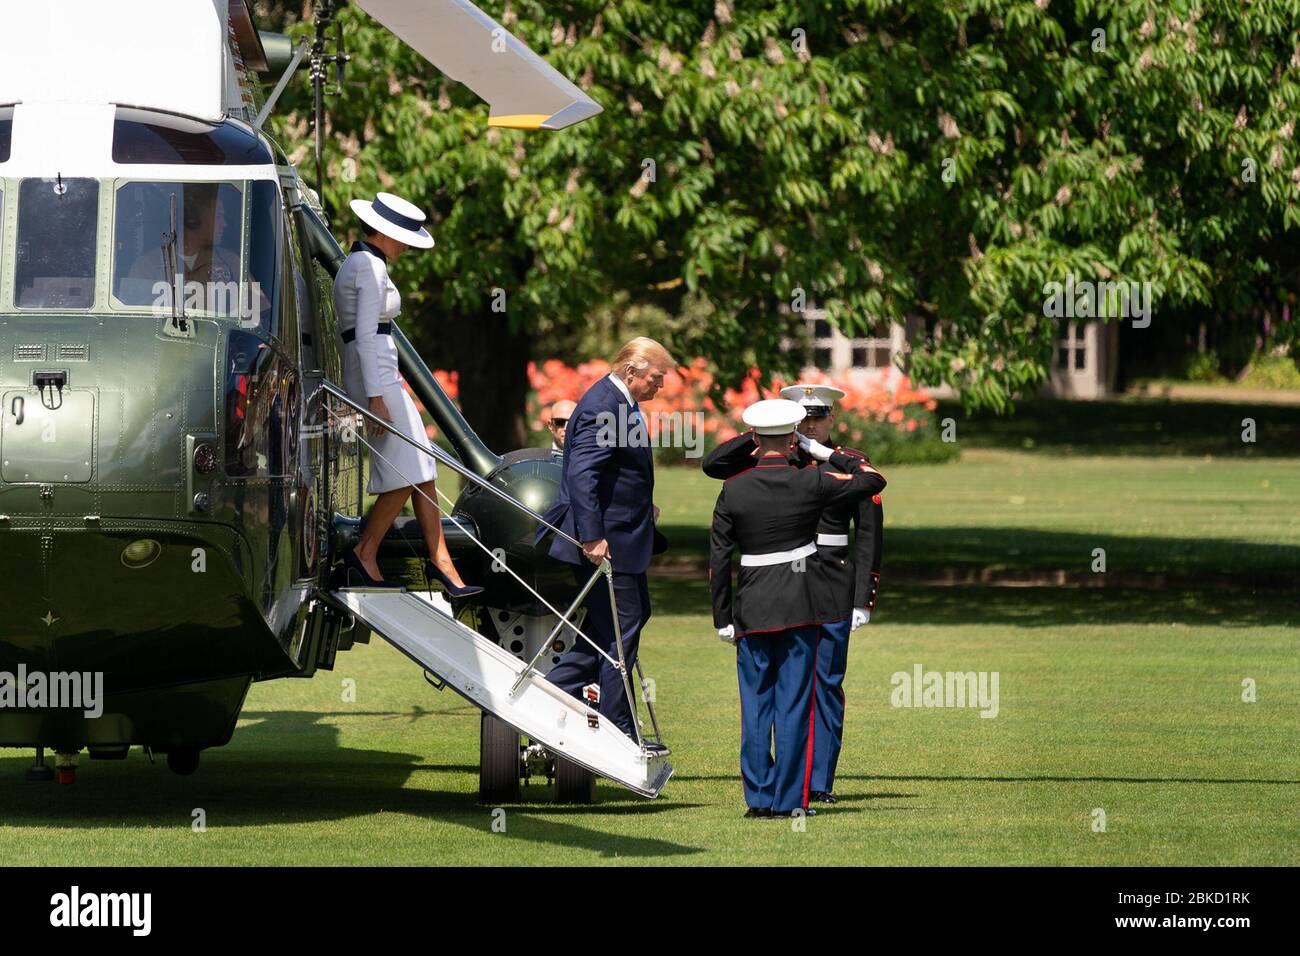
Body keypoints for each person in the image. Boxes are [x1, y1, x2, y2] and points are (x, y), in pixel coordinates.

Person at [703, 384, 885, 803]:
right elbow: (714, 463)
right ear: (790, 427)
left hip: (829, 581)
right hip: (797, 590)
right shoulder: (797, 467)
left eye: (818, 416)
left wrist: (863, 597)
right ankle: (791, 791)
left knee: (823, 685)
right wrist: (768, 438)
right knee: (794, 694)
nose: (810, 424)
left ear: (832, 418)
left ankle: (815, 782)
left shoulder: (841, 463)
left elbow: (869, 534)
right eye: (801, 419)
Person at [333, 192, 481, 598]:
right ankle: (366, 552)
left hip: (378, 371)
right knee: (409, 467)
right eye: (401, 237)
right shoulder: (369, 266)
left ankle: (441, 563)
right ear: (382, 231)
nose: (404, 245)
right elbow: (365, 334)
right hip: (376, 374)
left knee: (421, 465)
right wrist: (377, 396)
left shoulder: (362, 261)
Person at [534, 337, 675, 748]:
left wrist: (641, 506)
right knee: (621, 625)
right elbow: (583, 476)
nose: (661, 386)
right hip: (604, 542)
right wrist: (592, 535)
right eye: (656, 377)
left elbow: (615, 473)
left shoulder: (616, 402)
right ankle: (617, 723)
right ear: (631, 371)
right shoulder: (603, 406)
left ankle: (553, 689)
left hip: (623, 536)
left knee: (609, 626)